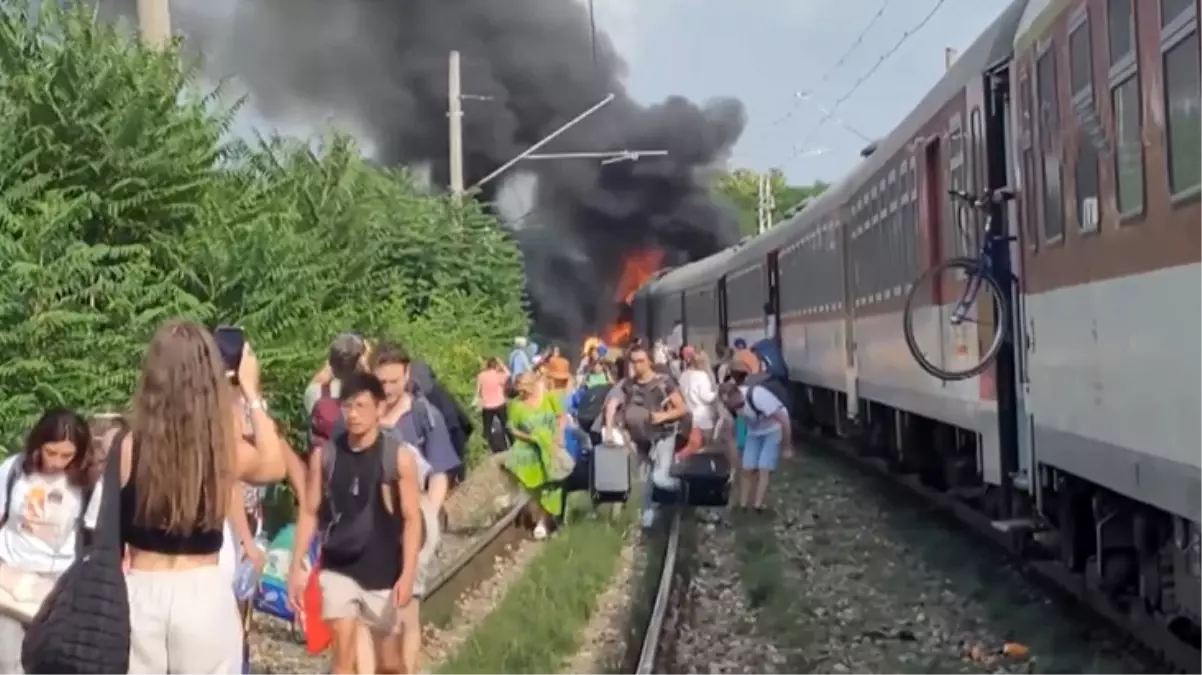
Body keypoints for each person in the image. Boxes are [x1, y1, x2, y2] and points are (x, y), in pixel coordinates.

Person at [117, 320, 288, 674]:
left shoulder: (129, 446)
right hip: (202, 592)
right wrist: (251, 393)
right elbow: (274, 465)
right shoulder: (219, 448)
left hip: (140, 590)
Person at [289, 372, 423, 675]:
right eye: (348, 407)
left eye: (362, 406)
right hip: (338, 566)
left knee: (390, 664)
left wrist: (408, 572)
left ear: (379, 408)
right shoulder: (326, 456)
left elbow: (412, 519)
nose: (354, 414)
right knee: (343, 657)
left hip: (384, 570)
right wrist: (297, 564)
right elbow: (309, 511)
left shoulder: (398, 458)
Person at [0, 409, 101, 674]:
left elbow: (94, 536)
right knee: (8, 660)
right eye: (51, 452)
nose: (57, 462)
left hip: (59, 583)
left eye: (66, 455)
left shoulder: (87, 482)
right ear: (38, 445)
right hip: (11, 575)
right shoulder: (13, 470)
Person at [602, 343, 689, 529]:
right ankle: (648, 520)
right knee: (645, 481)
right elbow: (613, 403)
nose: (637, 365)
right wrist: (610, 428)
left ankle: (684, 490)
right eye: (634, 362)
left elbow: (682, 408)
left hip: (663, 435)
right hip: (640, 438)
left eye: (641, 361)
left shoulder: (664, 382)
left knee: (659, 477)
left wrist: (663, 416)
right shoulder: (628, 385)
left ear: (649, 361)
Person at [726, 354, 793, 513]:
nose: (734, 408)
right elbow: (741, 421)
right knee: (747, 467)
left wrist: (787, 446)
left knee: (764, 467)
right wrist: (741, 445)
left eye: (734, 404)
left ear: (737, 396)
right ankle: (743, 506)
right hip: (754, 431)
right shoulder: (732, 403)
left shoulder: (757, 396)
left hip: (772, 429)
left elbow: (784, 419)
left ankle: (758, 506)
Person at [505, 371, 567, 539]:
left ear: (533, 385)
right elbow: (512, 428)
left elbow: (561, 416)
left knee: (550, 486)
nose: (521, 393)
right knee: (535, 487)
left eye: (524, 389)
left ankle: (543, 520)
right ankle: (537, 515)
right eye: (519, 389)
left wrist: (559, 435)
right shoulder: (516, 405)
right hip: (528, 450)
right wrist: (529, 438)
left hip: (549, 447)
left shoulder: (549, 398)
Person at [677, 347, 718, 456]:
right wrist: (717, 393)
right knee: (704, 448)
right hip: (702, 417)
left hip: (687, 415)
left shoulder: (684, 375)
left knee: (690, 445)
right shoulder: (702, 376)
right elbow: (706, 397)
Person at [476, 357, 511, 454]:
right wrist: (502, 364)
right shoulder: (498, 375)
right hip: (500, 403)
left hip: (487, 405)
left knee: (487, 427)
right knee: (506, 424)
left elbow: (478, 391)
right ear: (496, 365)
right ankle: (512, 443)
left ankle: (486, 448)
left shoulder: (481, 375)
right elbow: (508, 374)